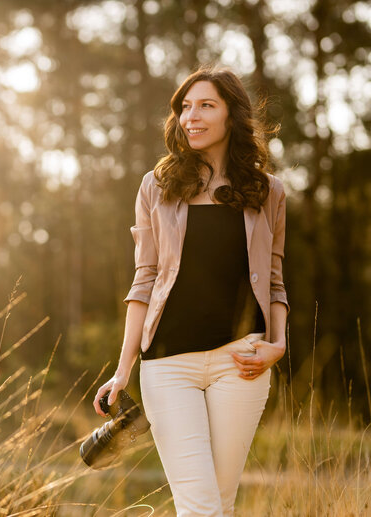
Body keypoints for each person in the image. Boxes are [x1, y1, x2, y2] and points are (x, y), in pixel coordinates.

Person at [93, 65, 289, 517]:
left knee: (216, 503)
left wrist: (277, 345)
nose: (191, 116)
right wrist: (122, 373)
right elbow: (144, 280)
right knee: (201, 506)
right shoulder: (157, 186)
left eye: (206, 105)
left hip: (242, 363)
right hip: (167, 365)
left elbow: (275, 278)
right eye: (185, 106)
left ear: (231, 116)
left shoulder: (268, 191)